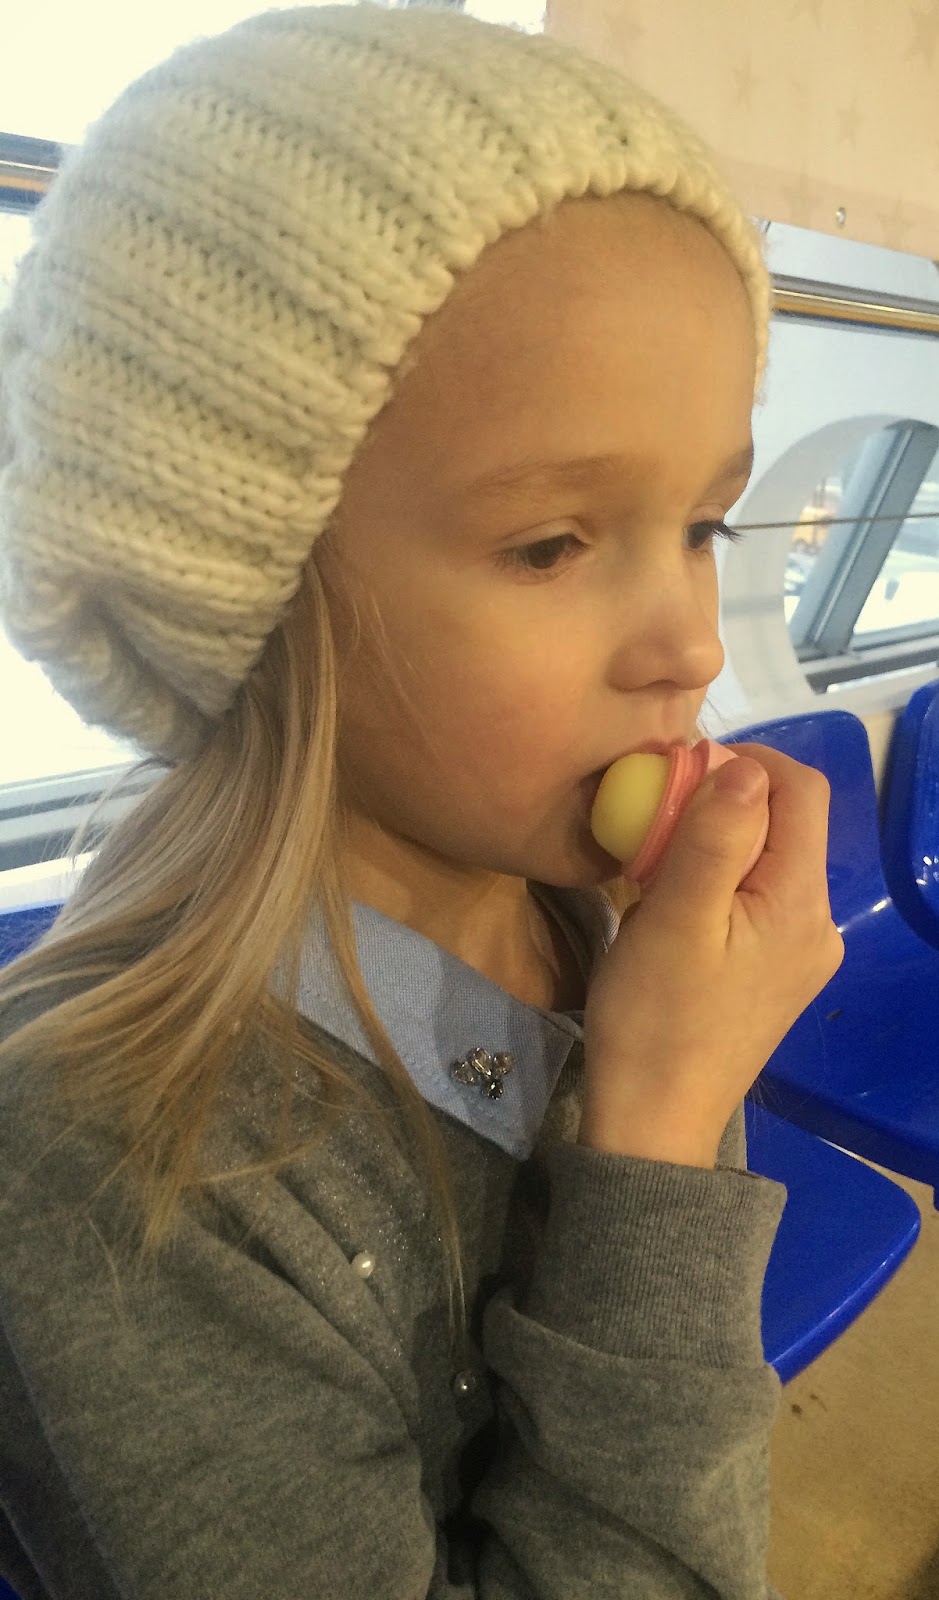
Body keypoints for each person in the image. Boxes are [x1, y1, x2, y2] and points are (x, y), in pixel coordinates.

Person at [0, 5, 843, 1596]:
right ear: (249, 587)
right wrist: (659, 1140)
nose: (689, 646)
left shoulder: (590, 915)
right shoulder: (111, 1166)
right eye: (552, 544)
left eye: (704, 524)